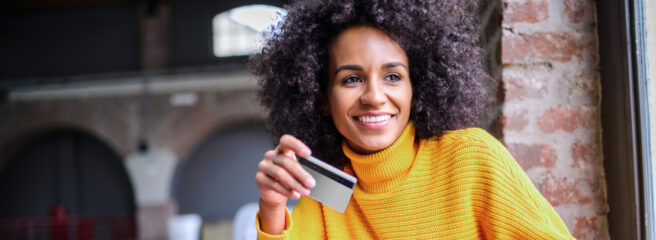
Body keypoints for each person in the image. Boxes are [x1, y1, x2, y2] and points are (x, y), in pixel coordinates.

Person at [250, 0, 575, 239]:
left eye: (392, 76)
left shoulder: (470, 159)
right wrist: (273, 207)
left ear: (416, 87)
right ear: (321, 98)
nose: (374, 96)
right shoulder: (325, 187)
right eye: (351, 79)